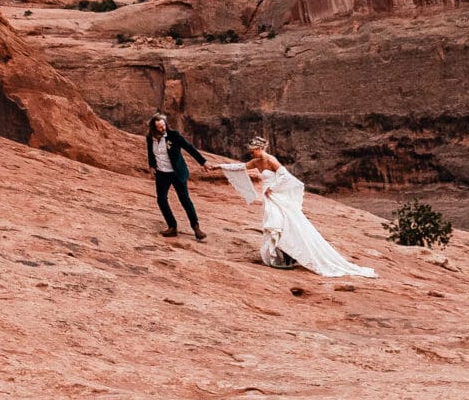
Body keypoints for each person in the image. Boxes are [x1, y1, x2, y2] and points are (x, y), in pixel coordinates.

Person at [221, 136, 376, 278]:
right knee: (276, 224)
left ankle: (289, 255)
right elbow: (241, 167)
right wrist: (219, 166)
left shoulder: (270, 159)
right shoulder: (255, 162)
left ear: (259, 149)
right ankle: (283, 256)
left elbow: (285, 176)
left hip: (276, 196)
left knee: (281, 223)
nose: (251, 154)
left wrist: (272, 187)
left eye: (253, 151)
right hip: (269, 198)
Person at [145, 112, 209, 240]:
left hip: (177, 172)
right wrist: (152, 166)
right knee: (161, 199)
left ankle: (196, 228)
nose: (163, 128)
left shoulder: (174, 136)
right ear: (154, 128)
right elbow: (150, 153)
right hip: (162, 173)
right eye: (160, 127)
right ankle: (172, 227)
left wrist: (203, 162)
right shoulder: (150, 138)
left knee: (184, 199)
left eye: (164, 125)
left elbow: (189, 148)